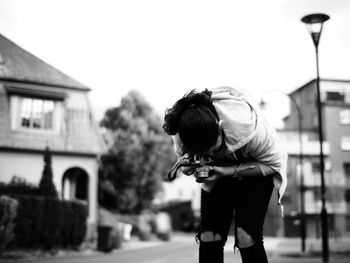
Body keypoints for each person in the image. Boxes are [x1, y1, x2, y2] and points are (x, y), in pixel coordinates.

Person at [163, 87, 287, 263]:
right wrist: (190, 166)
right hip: (218, 172)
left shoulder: (250, 127)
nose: (209, 153)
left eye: (213, 148)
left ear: (220, 127)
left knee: (246, 237)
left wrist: (227, 171)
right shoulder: (182, 131)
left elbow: (271, 165)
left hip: (258, 169)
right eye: (203, 152)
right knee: (209, 236)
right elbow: (185, 168)